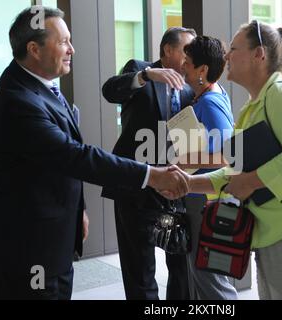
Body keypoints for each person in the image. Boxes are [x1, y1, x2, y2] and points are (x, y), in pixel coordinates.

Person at [0, 6, 188, 300]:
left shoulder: (38, 84)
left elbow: (57, 165)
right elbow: (76, 156)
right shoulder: (18, 101)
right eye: (63, 42)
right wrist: (151, 175)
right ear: (34, 49)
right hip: (27, 246)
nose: (72, 49)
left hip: (52, 234)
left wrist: (79, 210)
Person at [164, 21, 282, 300]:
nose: (226, 57)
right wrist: (188, 183)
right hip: (272, 236)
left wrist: (250, 180)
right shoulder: (253, 108)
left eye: (234, 49)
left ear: (259, 54)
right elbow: (233, 174)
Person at [101, 27, 196, 300]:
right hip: (136, 187)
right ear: (168, 50)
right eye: (185, 50)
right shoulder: (140, 71)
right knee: (139, 269)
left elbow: (191, 142)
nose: (189, 56)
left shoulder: (191, 85)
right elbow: (110, 91)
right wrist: (144, 76)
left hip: (175, 189)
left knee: (180, 266)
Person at [177, 36, 237, 299]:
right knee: (206, 278)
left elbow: (229, 157)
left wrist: (184, 161)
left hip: (208, 203)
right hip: (205, 200)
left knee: (211, 280)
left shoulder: (210, 103)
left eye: (188, 64)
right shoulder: (210, 94)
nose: (182, 68)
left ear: (202, 70)